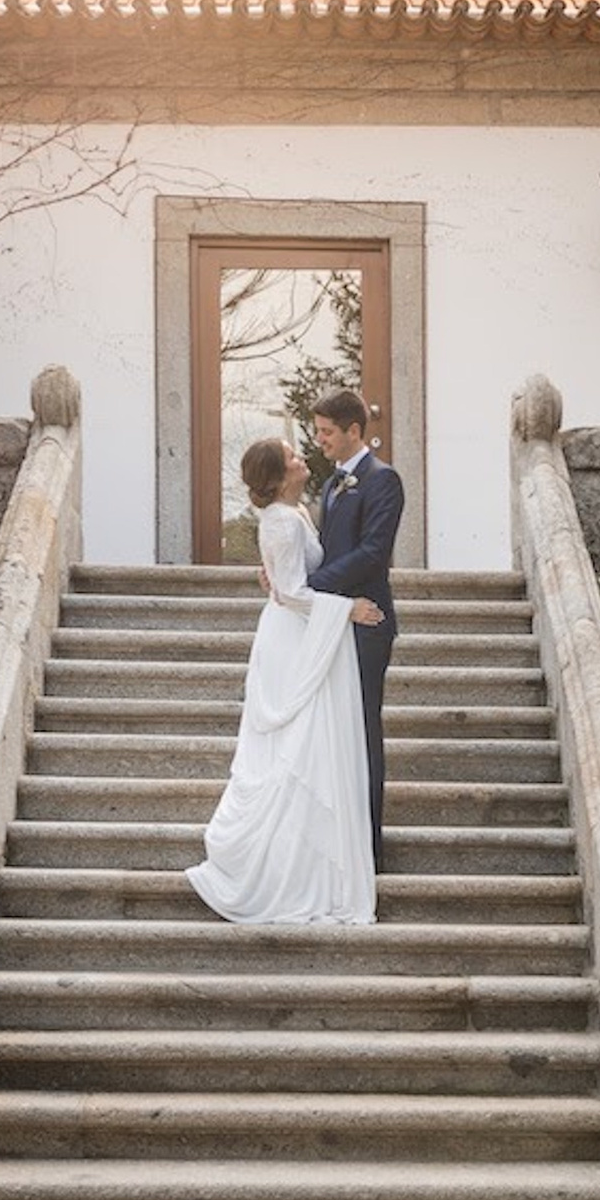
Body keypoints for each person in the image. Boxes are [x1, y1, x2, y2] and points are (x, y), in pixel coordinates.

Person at [186, 436, 382, 924]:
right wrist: (348, 609)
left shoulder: (294, 515)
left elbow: (288, 576)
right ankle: (277, 869)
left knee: (306, 747)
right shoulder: (279, 521)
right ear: (277, 477)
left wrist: (273, 573)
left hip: (298, 629)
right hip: (291, 638)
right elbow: (293, 593)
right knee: (294, 747)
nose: (302, 460)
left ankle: (304, 861)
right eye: (293, 457)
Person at [302, 387, 402, 867]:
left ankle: (369, 848)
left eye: (326, 432)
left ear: (354, 432)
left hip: (368, 622)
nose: (319, 441)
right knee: (333, 732)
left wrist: (311, 584)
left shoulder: (384, 481)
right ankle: (338, 840)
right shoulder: (330, 484)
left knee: (363, 730)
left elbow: (372, 554)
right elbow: (328, 547)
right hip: (333, 620)